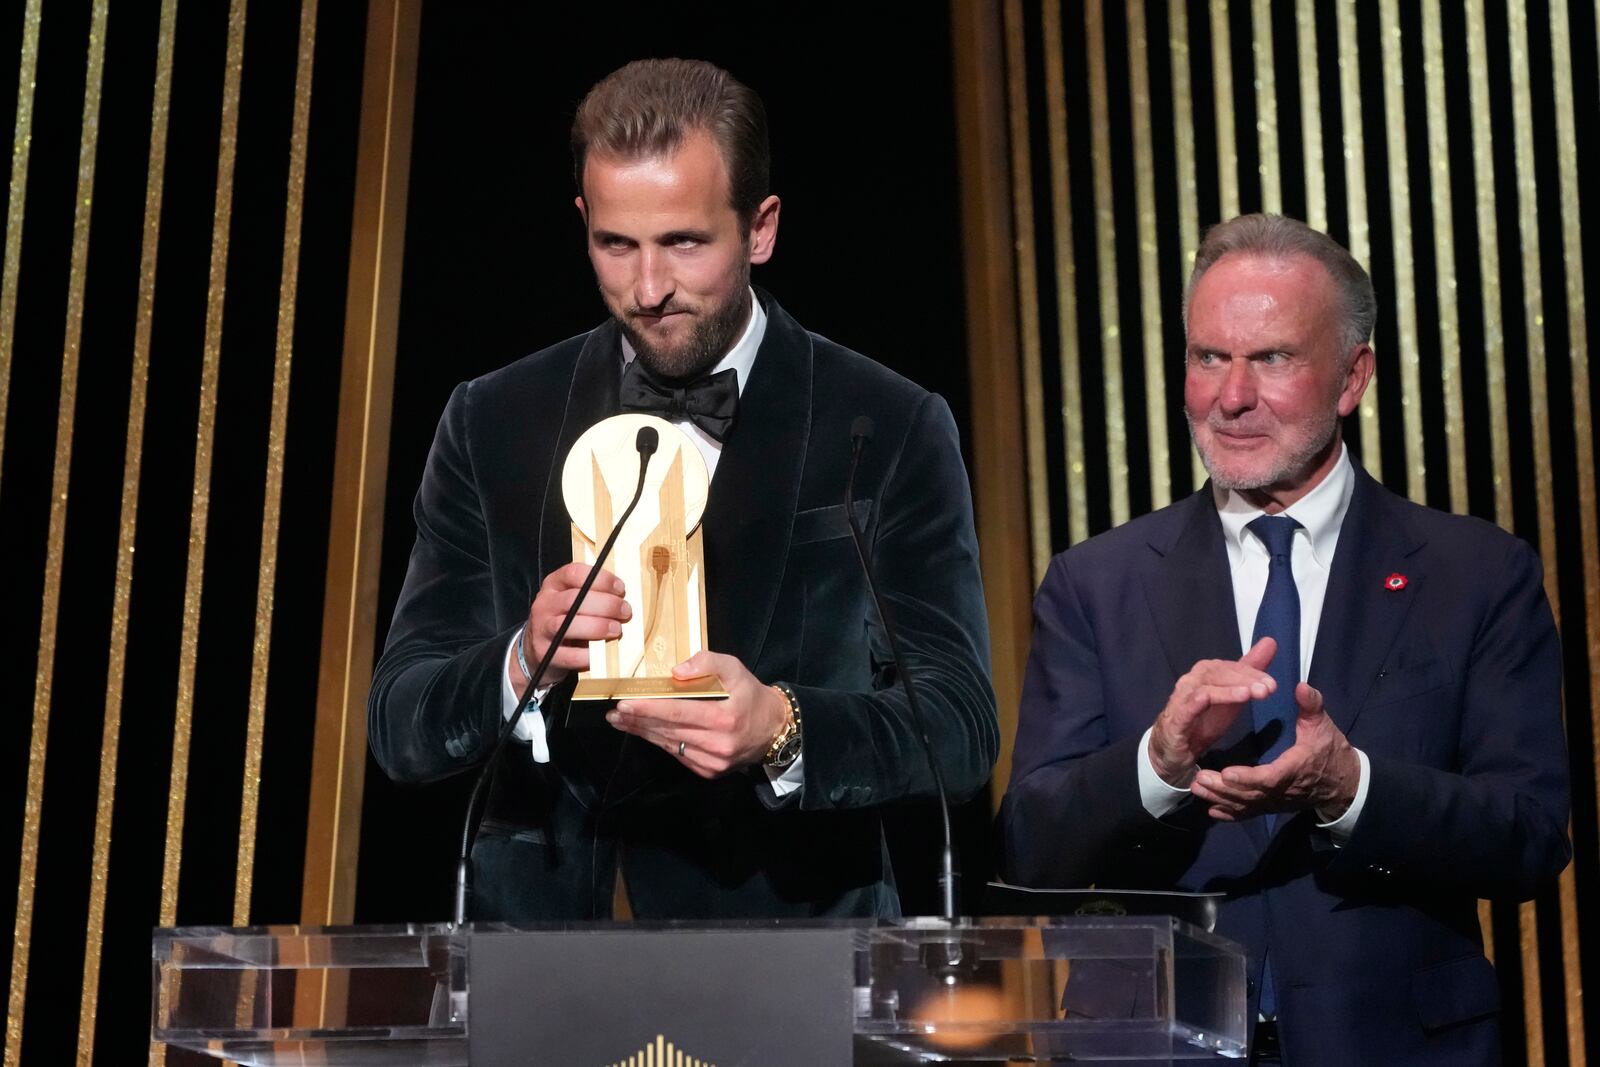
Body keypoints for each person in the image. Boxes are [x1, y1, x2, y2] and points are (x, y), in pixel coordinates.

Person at [369, 58, 997, 922]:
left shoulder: (887, 425)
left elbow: (960, 731)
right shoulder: (493, 420)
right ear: (584, 221)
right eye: (616, 245)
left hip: (792, 961)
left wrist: (782, 727)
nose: (649, 288)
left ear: (761, 227)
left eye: (685, 243)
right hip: (545, 963)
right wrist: (519, 658)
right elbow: (402, 719)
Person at [1000, 214, 1569, 1065]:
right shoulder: (1096, 583)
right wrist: (1156, 762)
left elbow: (1528, 836)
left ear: (1352, 376)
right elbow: (1029, 848)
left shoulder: (1476, 575)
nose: (1230, 396)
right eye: (1207, 357)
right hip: (1160, 1045)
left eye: (1271, 358)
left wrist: (1353, 787)